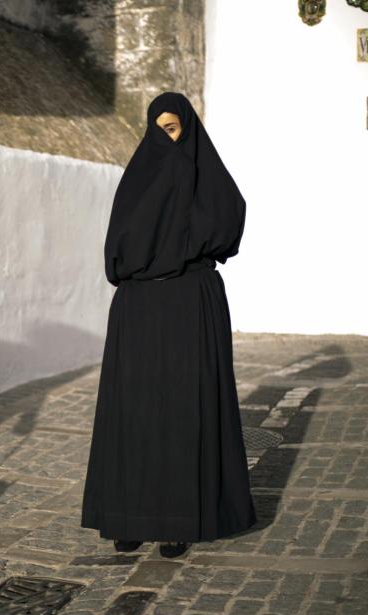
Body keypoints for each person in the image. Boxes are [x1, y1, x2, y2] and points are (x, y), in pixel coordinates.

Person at [80, 92, 256, 559]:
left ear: (188, 130)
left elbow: (226, 225)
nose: (166, 138)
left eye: (173, 129)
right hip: (139, 309)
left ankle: (179, 519)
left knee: (183, 409)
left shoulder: (208, 179)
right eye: (158, 130)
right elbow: (118, 252)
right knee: (134, 410)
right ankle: (128, 518)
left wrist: (181, 233)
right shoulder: (137, 180)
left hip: (190, 304)